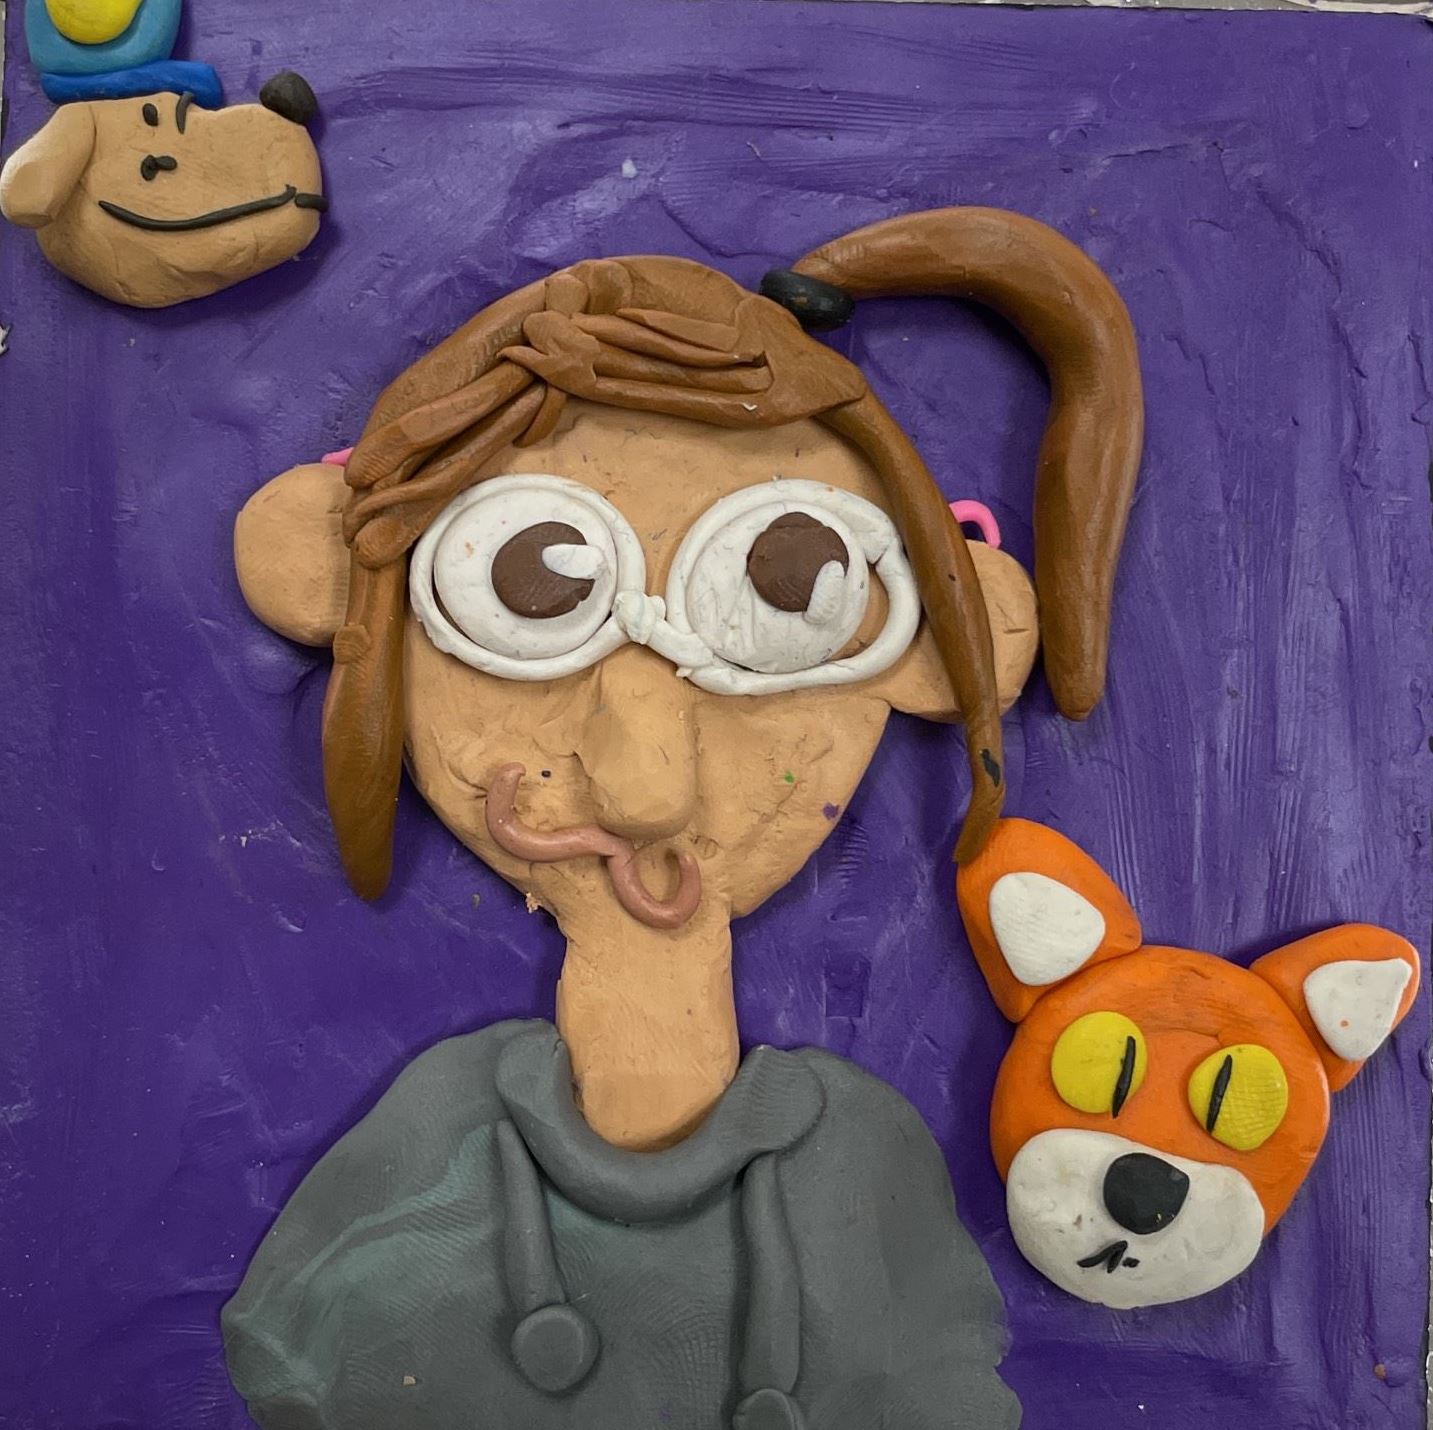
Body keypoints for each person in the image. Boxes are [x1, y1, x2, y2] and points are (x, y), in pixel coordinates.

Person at [223, 208, 1142, 1429]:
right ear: (335, 579)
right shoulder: (426, 1160)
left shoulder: (855, 1172)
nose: (645, 789)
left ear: (936, 640)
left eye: (795, 590)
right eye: (524, 584)